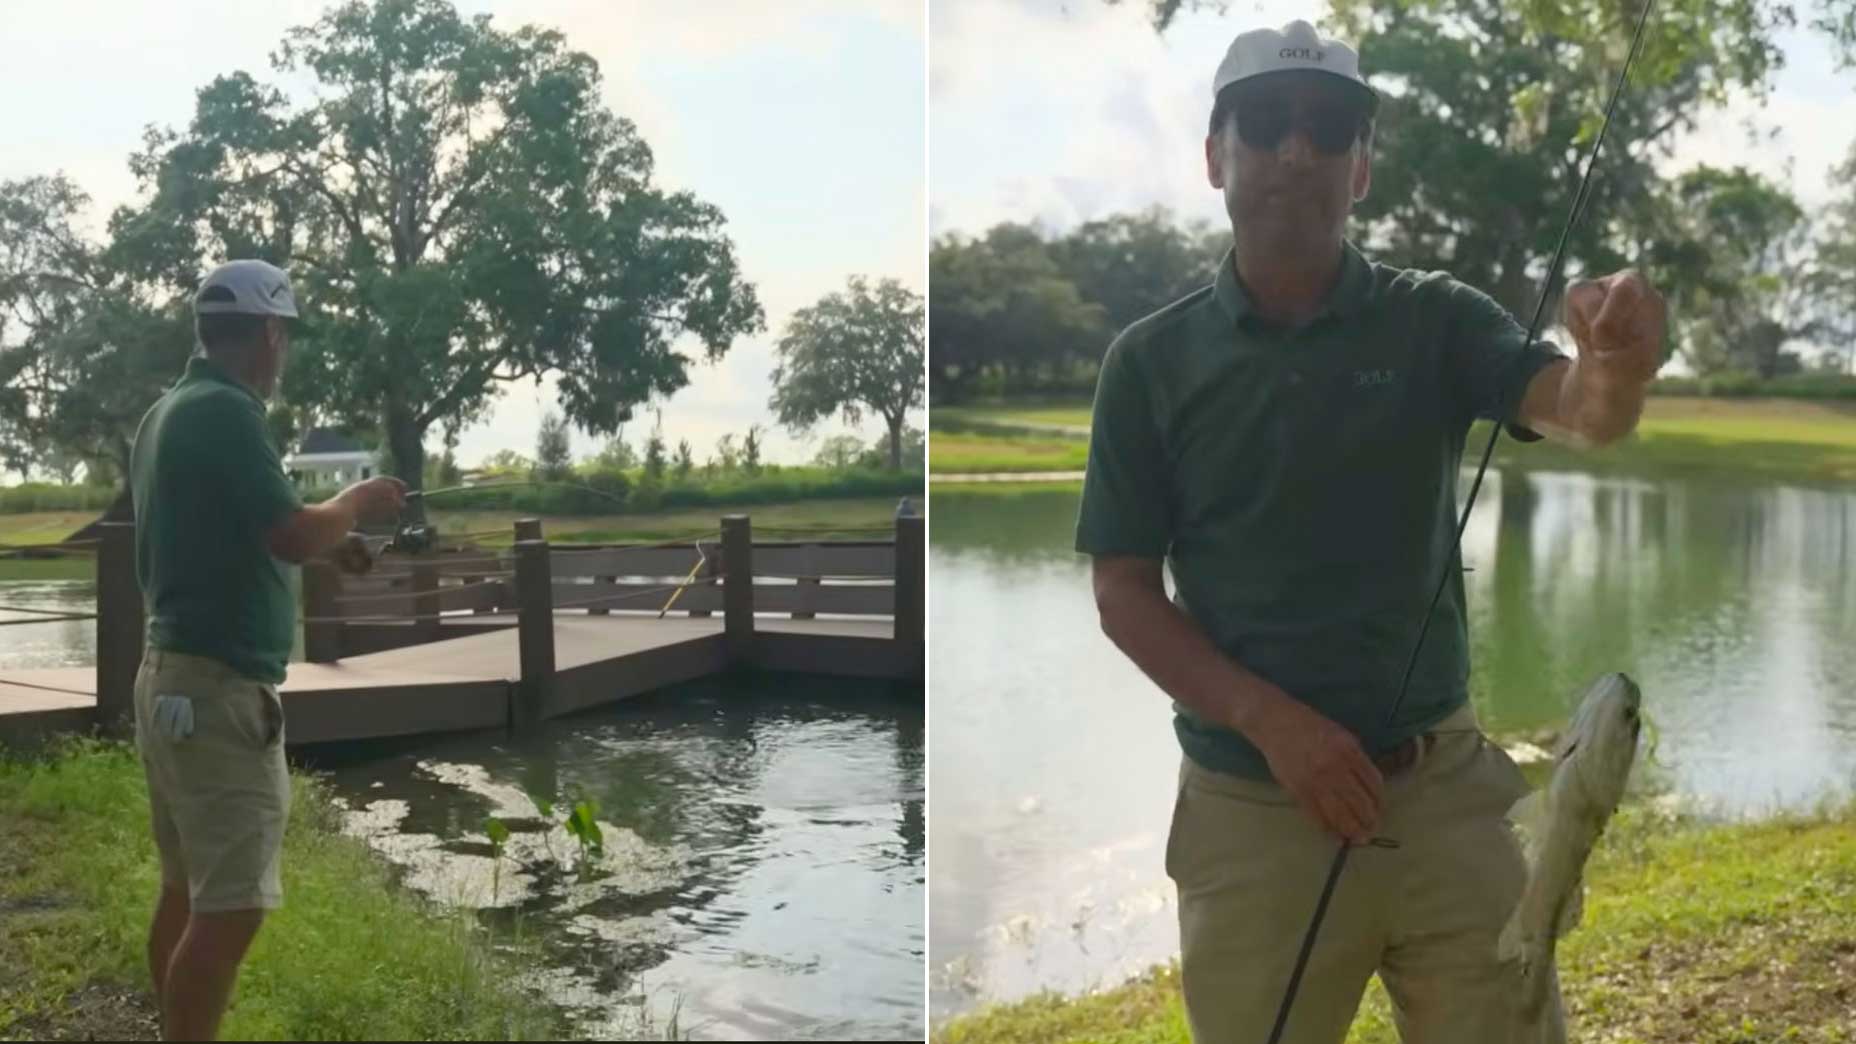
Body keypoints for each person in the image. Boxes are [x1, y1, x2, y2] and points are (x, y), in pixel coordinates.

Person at [1075, 20, 1666, 1043]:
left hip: (1444, 790)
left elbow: (1580, 410)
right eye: (1265, 122)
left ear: (1360, 167)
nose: (1296, 149)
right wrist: (1274, 725)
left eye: (1329, 126)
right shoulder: (1147, 363)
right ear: (1215, 155)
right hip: (1251, 806)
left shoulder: (1435, 318)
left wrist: (1617, 364)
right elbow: (1122, 591)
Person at [128, 258, 406, 1040]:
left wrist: (331, 544)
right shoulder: (226, 410)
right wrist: (356, 503)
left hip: (169, 681)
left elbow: (242, 529)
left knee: (186, 889)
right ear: (271, 334)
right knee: (231, 910)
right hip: (218, 694)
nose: (283, 353)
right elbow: (287, 530)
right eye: (284, 338)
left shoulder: (169, 411)